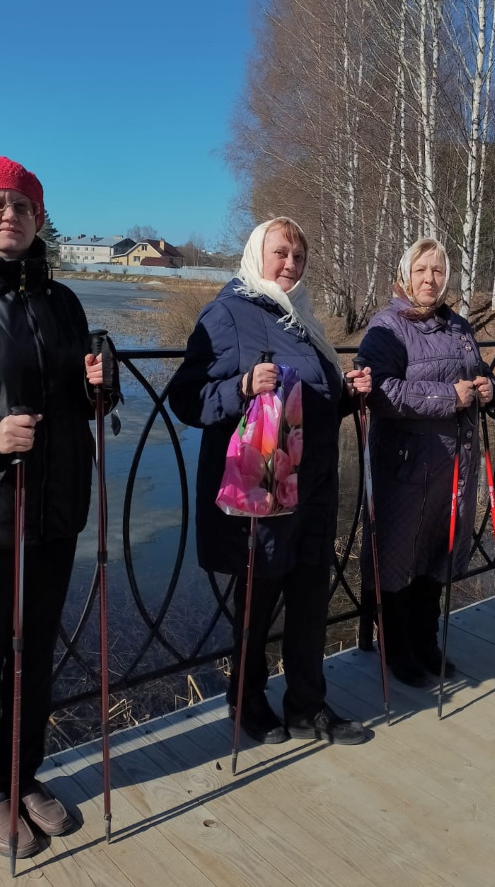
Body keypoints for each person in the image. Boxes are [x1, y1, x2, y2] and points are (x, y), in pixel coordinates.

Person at [0, 157, 114, 857]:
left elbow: (84, 403)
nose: (8, 217)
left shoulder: (61, 299)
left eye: (21, 207)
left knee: (36, 650)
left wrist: (97, 387)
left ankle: (25, 773)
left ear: (38, 219)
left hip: (52, 505)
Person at [169, 217, 371, 745]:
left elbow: (313, 405)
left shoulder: (301, 317)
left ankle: (308, 705)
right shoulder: (226, 313)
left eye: (298, 257)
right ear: (257, 254)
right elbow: (186, 397)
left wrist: (348, 393)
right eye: (280, 253)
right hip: (263, 489)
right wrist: (238, 386)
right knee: (258, 601)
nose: (290, 264)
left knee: (309, 599)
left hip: (314, 487)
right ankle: (246, 700)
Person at [355, 237, 495, 687]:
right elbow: (378, 392)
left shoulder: (458, 326)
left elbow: (479, 371)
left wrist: (488, 390)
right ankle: (395, 647)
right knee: (397, 556)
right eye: (421, 270)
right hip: (404, 466)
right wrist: (447, 397)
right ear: (405, 274)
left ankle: (426, 640)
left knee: (437, 555)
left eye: (437, 271)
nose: (429, 279)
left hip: (454, 467)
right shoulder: (387, 326)